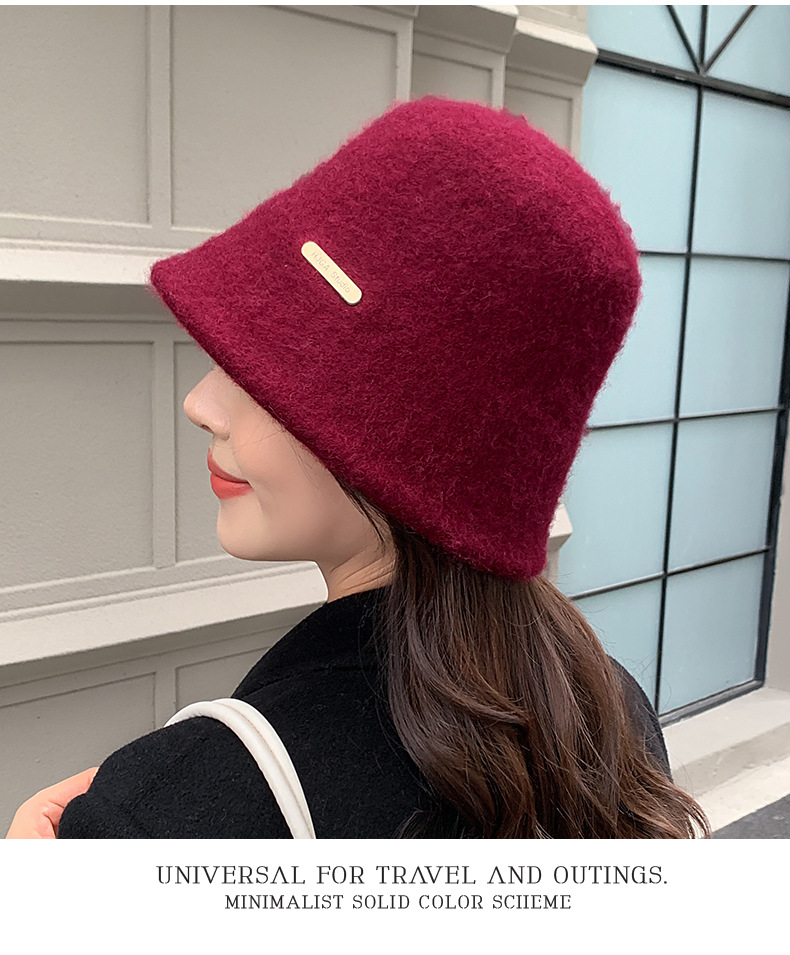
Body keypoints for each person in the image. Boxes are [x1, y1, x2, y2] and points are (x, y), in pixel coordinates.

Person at [6, 95, 710, 839]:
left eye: (265, 369)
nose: (201, 403)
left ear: (412, 432)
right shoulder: (609, 720)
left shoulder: (176, 809)